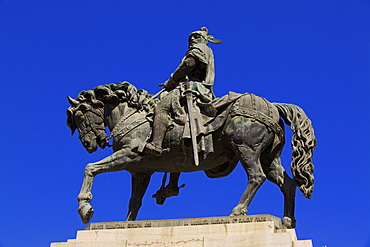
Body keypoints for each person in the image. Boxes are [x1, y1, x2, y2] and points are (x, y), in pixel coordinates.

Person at [145, 27, 222, 156]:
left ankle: (156, 144)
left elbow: (189, 64)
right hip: (198, 87)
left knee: (161, 107)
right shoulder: (207, 50)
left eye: (196, 37)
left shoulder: (199, 48)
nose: (192, 39)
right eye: (190, 37)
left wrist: (172, 81)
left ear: (203, 39)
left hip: (191, 86)